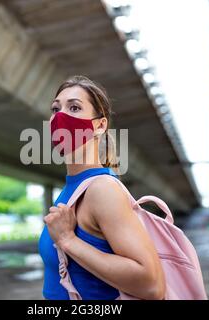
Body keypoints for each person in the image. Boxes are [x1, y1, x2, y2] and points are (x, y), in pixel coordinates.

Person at [38, 75, 166, 300]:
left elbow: (151, 285)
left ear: (100, 125)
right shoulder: (73, 189)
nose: (60, 116)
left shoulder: (102, 189)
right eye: (55, 109)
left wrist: (69, 241)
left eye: (74, 107)